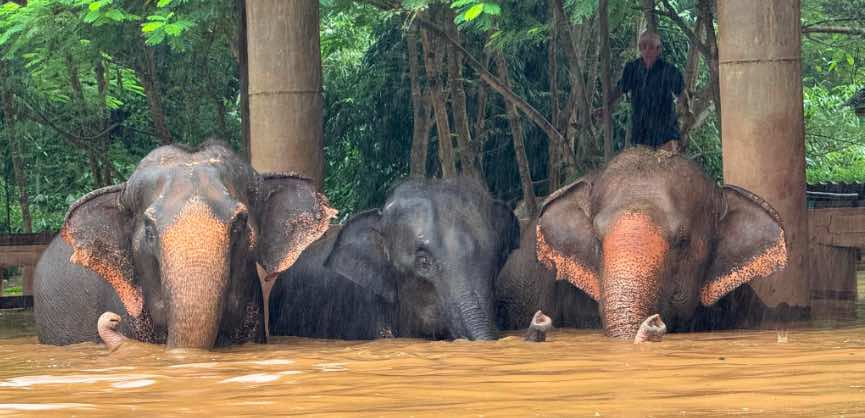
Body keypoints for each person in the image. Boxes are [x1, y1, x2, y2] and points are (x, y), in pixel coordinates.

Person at [596, 31, 686, 152]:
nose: (647, 50)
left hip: (666, 132)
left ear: (658, 50)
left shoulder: (670, 70)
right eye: (644, 46)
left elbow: (682, 94)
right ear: (639, 48)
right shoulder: (632, 69)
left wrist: (685, 113)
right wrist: (606, 106)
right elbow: (620, 88)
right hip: (641, 131)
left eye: (651, 47)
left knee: (666, 166)